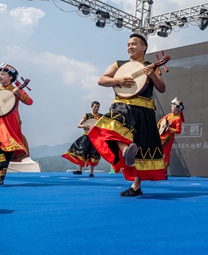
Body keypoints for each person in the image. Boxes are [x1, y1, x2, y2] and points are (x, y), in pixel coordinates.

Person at [88, 33, 166, 196]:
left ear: (143, 47)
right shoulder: (120, 64)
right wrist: (119, 80)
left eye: (134, 44)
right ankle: (124, 150)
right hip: (123, 106)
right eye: (128, 44)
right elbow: (101, 80)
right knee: (111, 127)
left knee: (141, 147)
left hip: (144, 110)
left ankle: (136, 186)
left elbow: (161, 87)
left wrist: (152, 75)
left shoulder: (152, 66)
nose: (130, 47)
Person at [0, 63, 33, 186]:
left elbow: (29, 102)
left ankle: (1, 178)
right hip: (0, 123)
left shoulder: (17, 90)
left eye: (3, 74)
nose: (0, 76)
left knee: (7, 151)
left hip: (11, 123)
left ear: (11, 78)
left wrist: (19, 94)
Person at [62, 101, 103, 177]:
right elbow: (79, 125)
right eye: (95, 107)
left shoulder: (101, 117)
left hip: (96, 138)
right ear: (92, 107)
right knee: (82, 151)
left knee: (94, 154)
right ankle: (79, 170)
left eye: (98, 107)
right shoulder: (87, 115)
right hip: (86, 136)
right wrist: (83, 126)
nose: (96, 108)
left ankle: (91, 172)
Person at [158, 97, 184, 178]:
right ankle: (156, 172)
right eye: (172, 106)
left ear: (177, 109)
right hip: (161, 137)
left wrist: (169, 129)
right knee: (157, 153)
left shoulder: (178, 119)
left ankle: (164, 173)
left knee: (165, 154)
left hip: (168, 139)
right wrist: (160, 127)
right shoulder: (168, 115)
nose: (172, 108)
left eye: (174, 107)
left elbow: (178, 131)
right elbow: (160, 122)